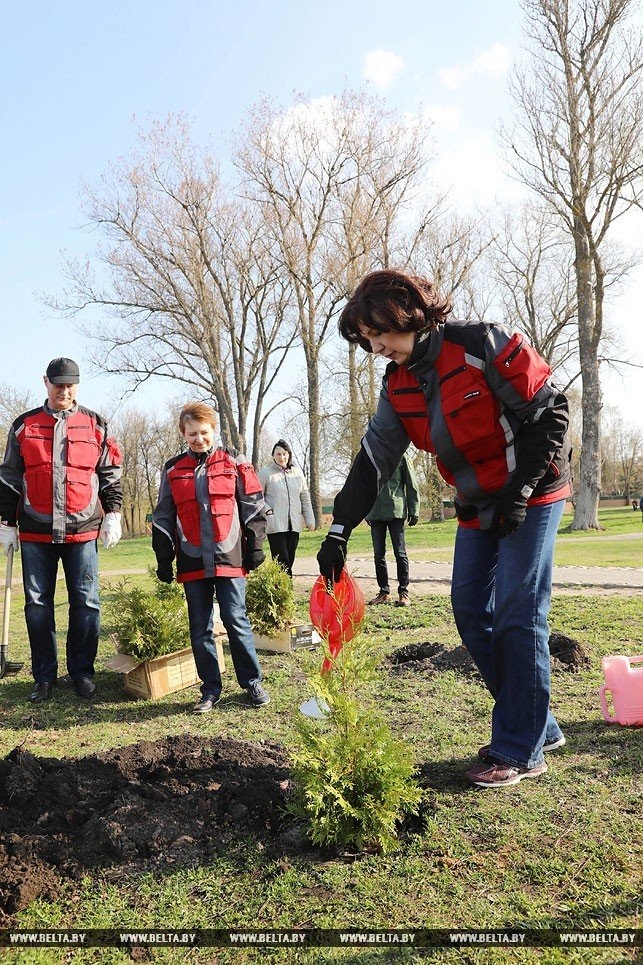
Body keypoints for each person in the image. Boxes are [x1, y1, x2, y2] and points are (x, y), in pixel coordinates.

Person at [316, 269, 572, 789]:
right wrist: (339, 530)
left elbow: (552, 412)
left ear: (404, 314)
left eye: (378, 333)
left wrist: (520, 491)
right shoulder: (398, 384)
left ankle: (519, 749)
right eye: (367, 340)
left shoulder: (482, 344)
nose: (377, 346)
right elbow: (373, 461)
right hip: (477, 499)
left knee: (519, 613)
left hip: (534, 489)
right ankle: (537, 724)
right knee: (470, 610)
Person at [0, 357, 123, 703]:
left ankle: (82, 673)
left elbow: (110, 473)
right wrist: (6, 522)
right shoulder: (24, 426)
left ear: (77, 386)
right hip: (36, 530)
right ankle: (44, 677)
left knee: (87, 603)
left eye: (70, 385)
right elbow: (9, 476)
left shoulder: (96, 424)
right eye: (58, 384)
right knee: (37, 605)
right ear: (46, 383)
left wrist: (112, 512)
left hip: (82, 530)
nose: (64, 390)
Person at [152, 402, 270, 714]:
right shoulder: (172, 469)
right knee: (200, 626)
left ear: (213, 430)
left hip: (229, 556)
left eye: (204, 432)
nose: (198, 438)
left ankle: (252, 681)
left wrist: (256, 545)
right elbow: (163, 516)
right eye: (192, 433)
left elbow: (254, 504)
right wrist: (164, 558)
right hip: (191, 560)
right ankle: (210, 689)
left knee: (235, 619)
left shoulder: (234, 461)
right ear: (183, 433)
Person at [365, 453, 420, 606]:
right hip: (375, 511)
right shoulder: (371, 455)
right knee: (378, 554)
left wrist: (414, 509)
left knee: (400, 553)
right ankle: (383, 592)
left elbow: (411, 483)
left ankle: (403, 591)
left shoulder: (401, 456)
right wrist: (365, 510)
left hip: (396, 510)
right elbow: (364, 484)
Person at [258, 439, 315, 577]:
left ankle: (280, 589)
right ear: (273, 455)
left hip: (294, 525)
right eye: (278, 454)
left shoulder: (297, 473)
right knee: (282, 561)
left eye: (284, 454)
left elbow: (305, 498)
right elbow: (256, 496)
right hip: (275, 524)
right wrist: (268, 510)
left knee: (290, 559)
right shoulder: (266, 473)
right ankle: (286, 592)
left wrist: (310, 519)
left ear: (289, 454)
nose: (282, 457)